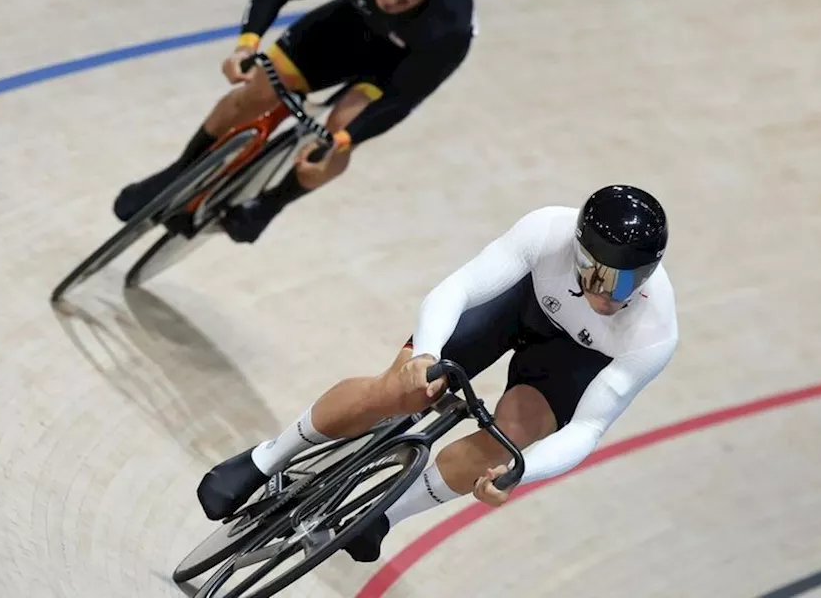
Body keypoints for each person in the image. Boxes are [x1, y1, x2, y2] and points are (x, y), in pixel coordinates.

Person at [195, 185, 680, 562]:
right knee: (403, 390)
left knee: (507, 442)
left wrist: (521, 473)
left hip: (572, 359)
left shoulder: (654, 332)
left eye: (632, 281)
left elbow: (589, 426)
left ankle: (383, 517)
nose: (612, 296)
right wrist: (424, 355)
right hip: (517, 306)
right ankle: (265, 458)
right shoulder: (546, 232)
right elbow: (460, 289)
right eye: (600, 277)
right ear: (577, 254)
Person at [113, 0, 477, 243]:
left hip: (390, 69)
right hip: (345, 31)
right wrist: (246, 46)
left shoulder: (450, 25)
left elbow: (400, 99)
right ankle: (179, 171)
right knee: (255, 92)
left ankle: (267, 206)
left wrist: (342, 140)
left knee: (337, 136)